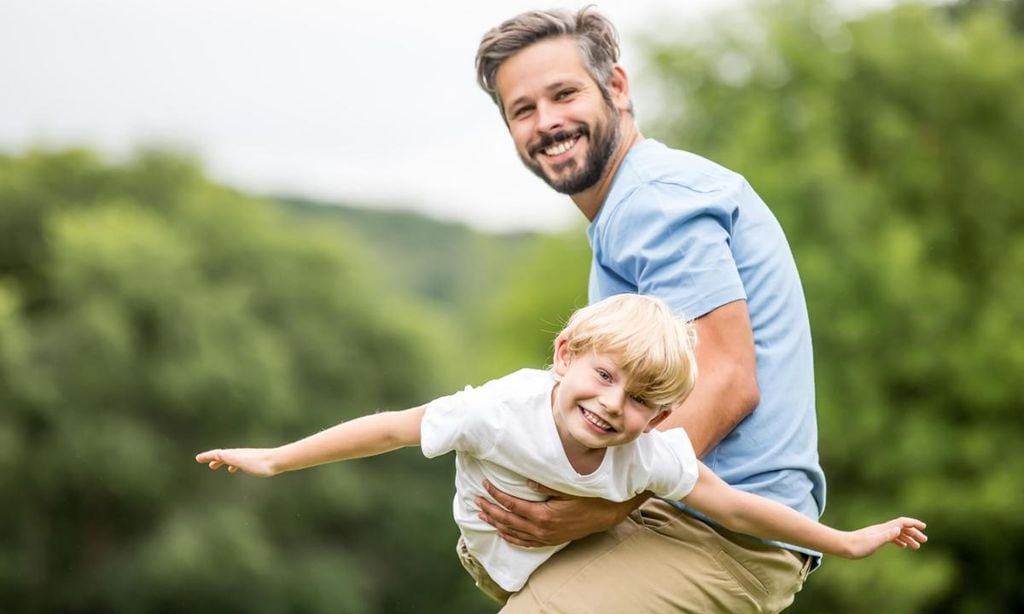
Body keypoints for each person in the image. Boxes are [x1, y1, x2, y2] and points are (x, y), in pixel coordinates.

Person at [196, 294, 926, 606]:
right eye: (603, 377)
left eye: (640, 400)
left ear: (663, 414)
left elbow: (734, 504)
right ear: (564, 356)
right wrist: (274, 458)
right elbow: (390, 426)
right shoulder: (499, 411)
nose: (612, 405)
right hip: (495, 561)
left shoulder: (650, 453)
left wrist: (844, 540)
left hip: (570, 566)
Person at [475, 7, 830, 612]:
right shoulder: (632, 205)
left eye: (564, 94)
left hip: (721, 533)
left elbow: (726, 379)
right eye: (524, 110)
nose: (548, 122)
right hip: (683, 519)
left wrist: (605, 504)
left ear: (616, 87)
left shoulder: (650, 204)